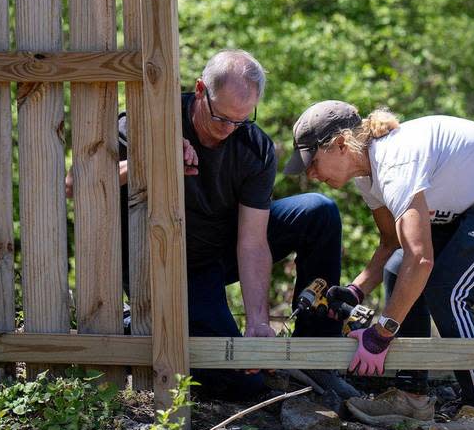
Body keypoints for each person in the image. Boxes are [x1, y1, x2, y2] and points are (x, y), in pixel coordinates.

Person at [283, 101, 474, 430]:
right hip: (473, 207)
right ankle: (412, 396)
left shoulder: (395, 162)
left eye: (314, 163)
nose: (312, 175)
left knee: (448, 292)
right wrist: (355, 291)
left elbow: (421, 258)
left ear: (340, 145)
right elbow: (391, 244)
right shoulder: (368, 175)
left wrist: (382, 333)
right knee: (400, 271)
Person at [112, 50, 348, 399]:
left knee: (318, 211)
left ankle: (315, 356)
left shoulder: (254, 146)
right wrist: (153, 158)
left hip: (221, 249)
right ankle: (135, 323)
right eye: (221, 117)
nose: (228, 130)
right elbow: (78, 184)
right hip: (167, 265)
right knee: (245, 383)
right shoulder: (147, 119)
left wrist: (258, 323)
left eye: (240, 120)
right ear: (200, 90)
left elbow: (252, 242)